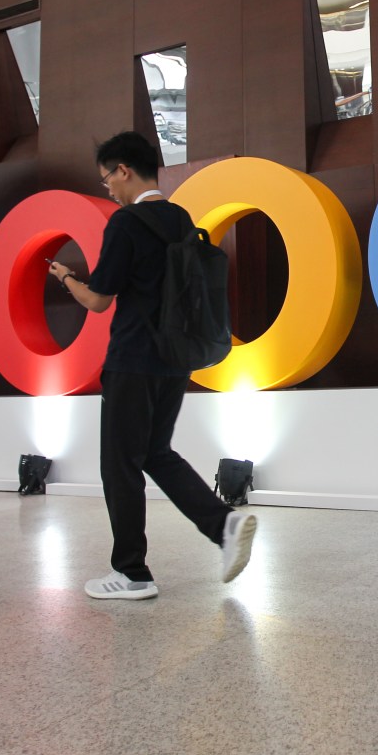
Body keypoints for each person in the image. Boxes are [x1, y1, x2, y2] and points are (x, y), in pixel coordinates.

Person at [48, 131, 255, 600]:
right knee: (156, 453)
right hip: (174, 359)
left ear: (124, 169)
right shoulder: (180, 218)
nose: (108, 190)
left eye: (107, 180)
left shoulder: (126, 224)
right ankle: (224, 526)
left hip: (133, 358)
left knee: (120, 464)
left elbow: (99, 301)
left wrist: (67, 280)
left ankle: (132, 572)